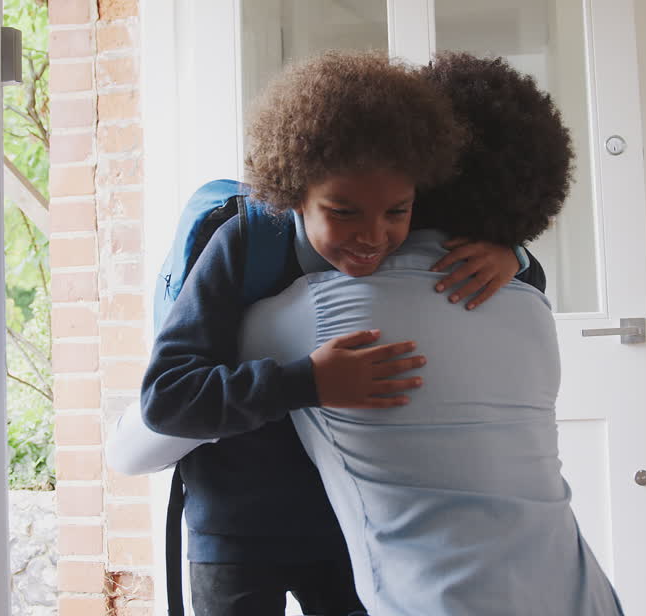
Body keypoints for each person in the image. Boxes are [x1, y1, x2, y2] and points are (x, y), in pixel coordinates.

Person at [134, 50, 535, 616]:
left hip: (353, 528)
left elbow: (526, 279)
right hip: (236, 528)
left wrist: (512, 256)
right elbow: (168, 400)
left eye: (398, 211)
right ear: (294, 193)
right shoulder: (245, 242)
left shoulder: (409, 228)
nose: (374, 236)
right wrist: (308, 383)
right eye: (342, 213)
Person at [235, 52, 624, 615]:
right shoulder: (529, 305)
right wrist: (513, 251)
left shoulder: (305, 314)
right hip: (581, 594)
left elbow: (157, 427)